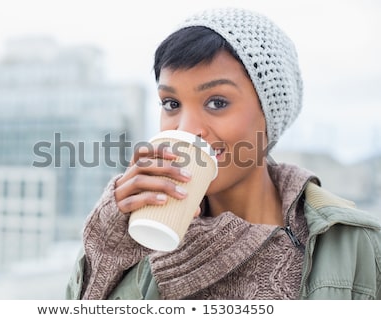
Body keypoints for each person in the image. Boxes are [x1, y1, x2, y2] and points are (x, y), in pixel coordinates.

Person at [66, 7, 381, 300]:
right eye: (171, 104)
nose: (186, 129)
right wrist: (108, 252)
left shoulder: (358, 245)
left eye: (217, 102)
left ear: (270, 115)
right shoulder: (137, 239)